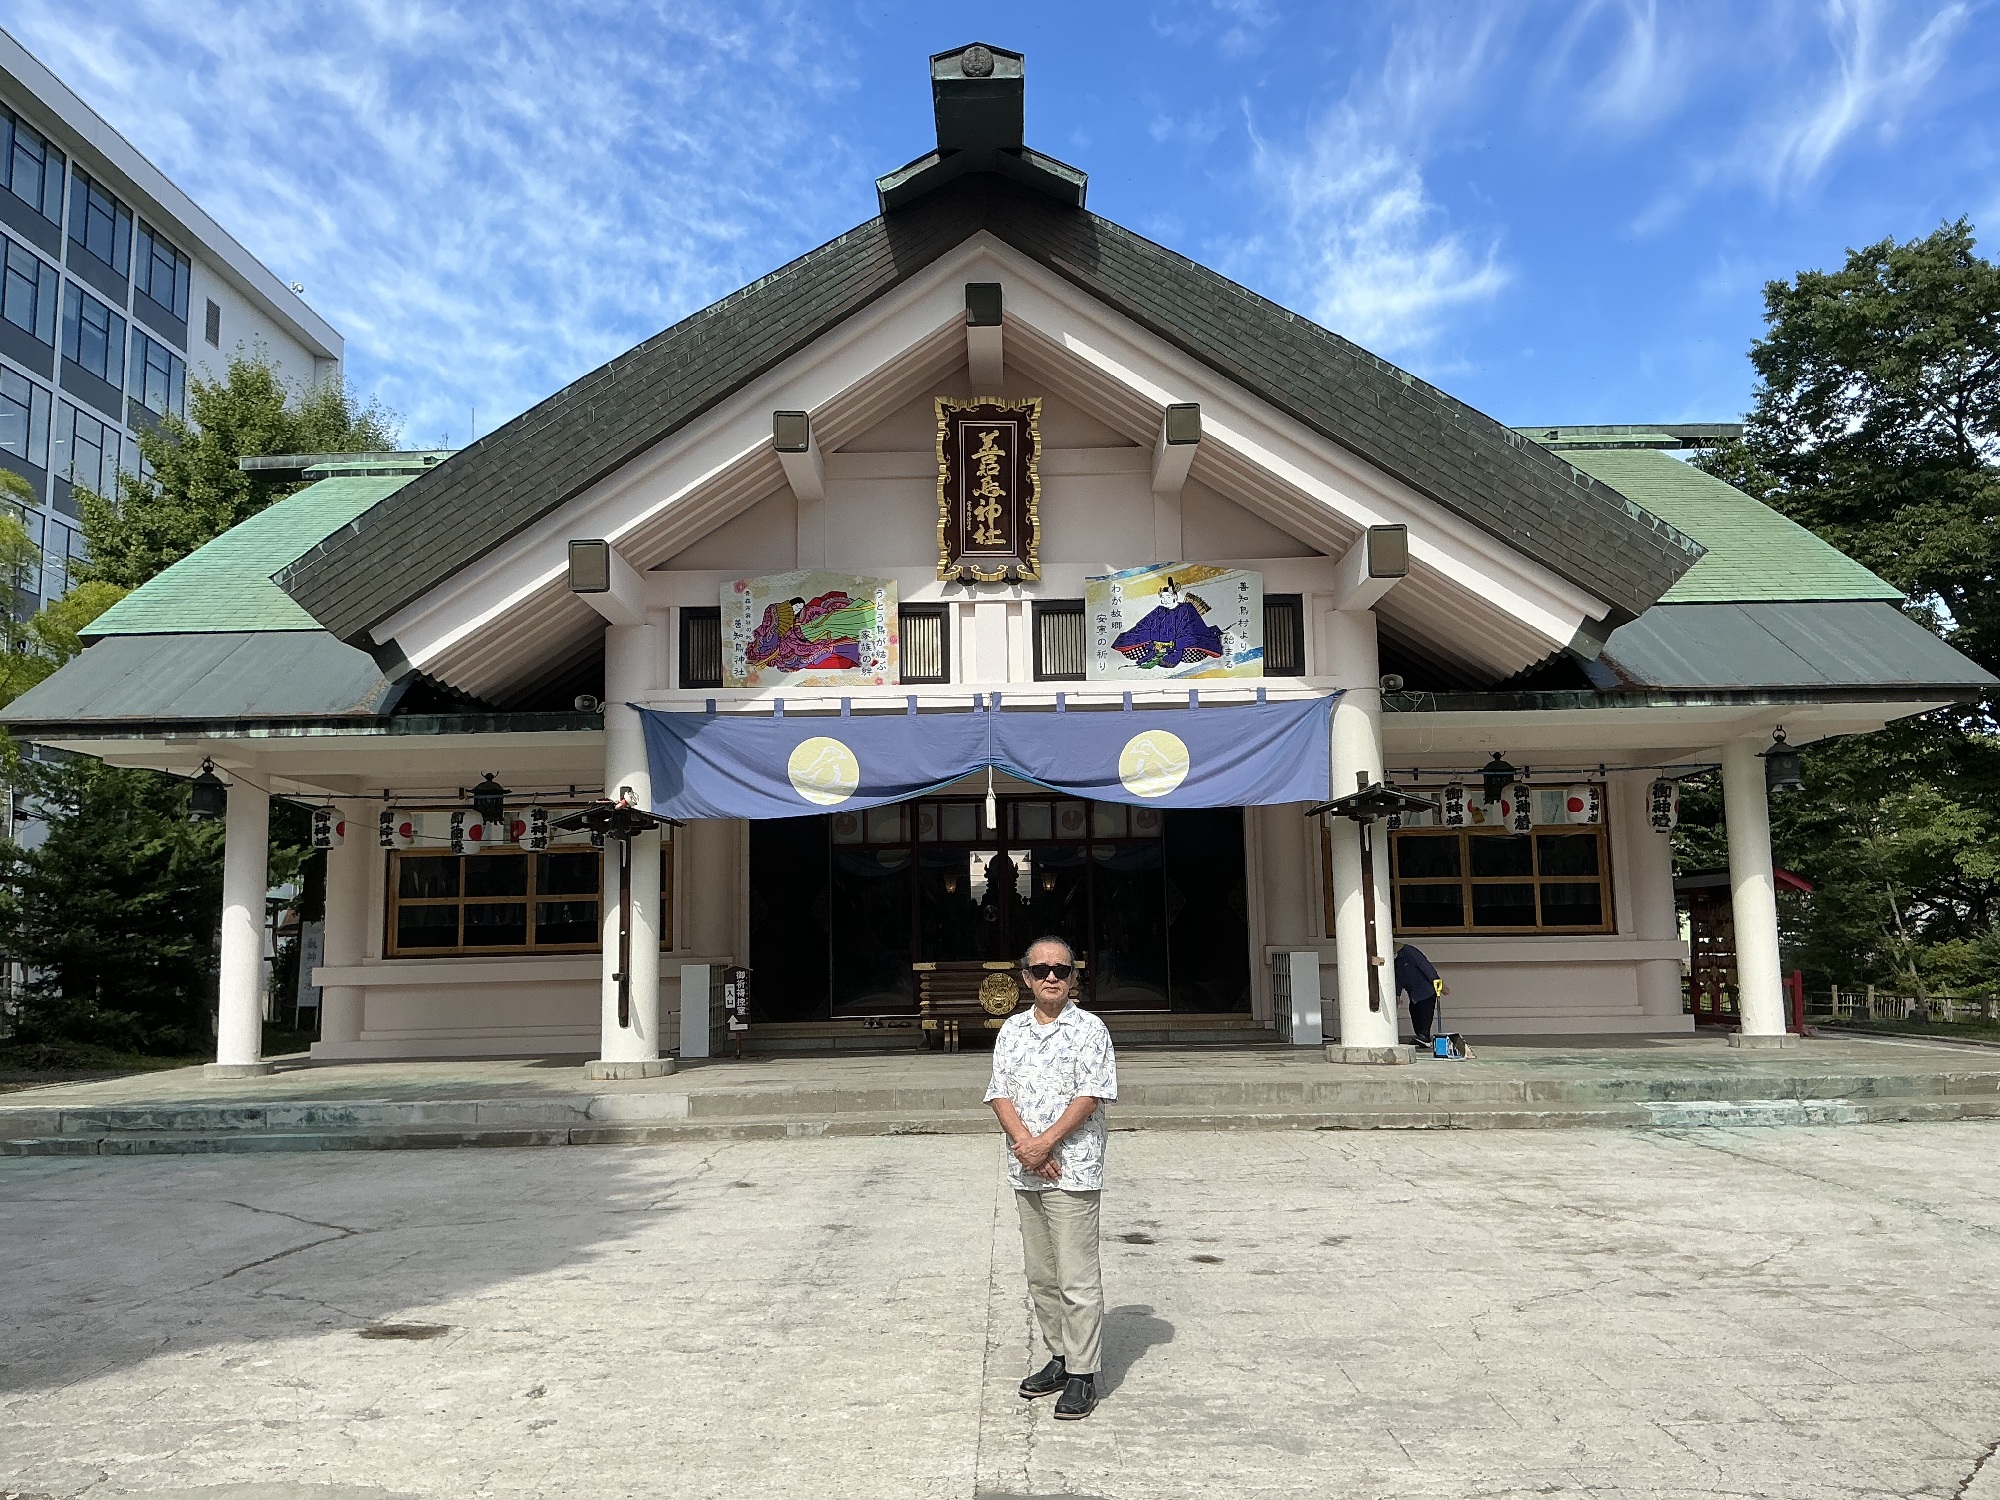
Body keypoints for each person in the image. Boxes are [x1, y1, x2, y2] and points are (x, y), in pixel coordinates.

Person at [984, 935, 1118, 1421]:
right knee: (1042, 1273)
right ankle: (1060, 1358)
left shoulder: (1090, 1030)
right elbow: (999, 1092)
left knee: (1077, 1275)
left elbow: (1091, 1094)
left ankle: (1083, 1373)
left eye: (1061, 970)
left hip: (1073, 1166)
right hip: (1027, 1167)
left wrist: (1046, 1144)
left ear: (1074, 976)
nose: (1051, 978)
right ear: (1026, 978)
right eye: (1041, 970)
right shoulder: (1012, 1031)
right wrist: (1027, 1145)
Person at [1394, 941, 1448, 1045]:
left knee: (1425, 1013)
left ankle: (1424, 1036)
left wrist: (1438, 982)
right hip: (1413, 994)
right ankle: (1421, 1037)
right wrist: (1397, 994)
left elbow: (1426, 966)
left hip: (1426, 991)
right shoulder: (1395, 961)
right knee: (1414, 1012)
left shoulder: (1409, 952)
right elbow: (1398, 978)